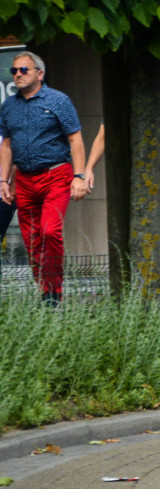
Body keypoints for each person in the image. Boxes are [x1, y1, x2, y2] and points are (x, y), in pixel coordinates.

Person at [0, 51, 89, 306]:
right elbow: (6, 145)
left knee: (50, 231)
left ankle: (54, 292)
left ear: (39, 74)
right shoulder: (9, 106)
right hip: (24, 180)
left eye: (23, 70)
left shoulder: (58, 100)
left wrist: (79, 176)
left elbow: (75, 139)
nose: (17, 74)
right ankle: (46, 292)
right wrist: (4, 181)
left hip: (56, 176)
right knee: (31, 239)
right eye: (14, 70)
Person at [85, 101, 160, 205]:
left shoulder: (155, 103)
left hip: (147, 173)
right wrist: (89, 168)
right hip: (121, 173)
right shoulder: (116, 103)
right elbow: (102, 138)